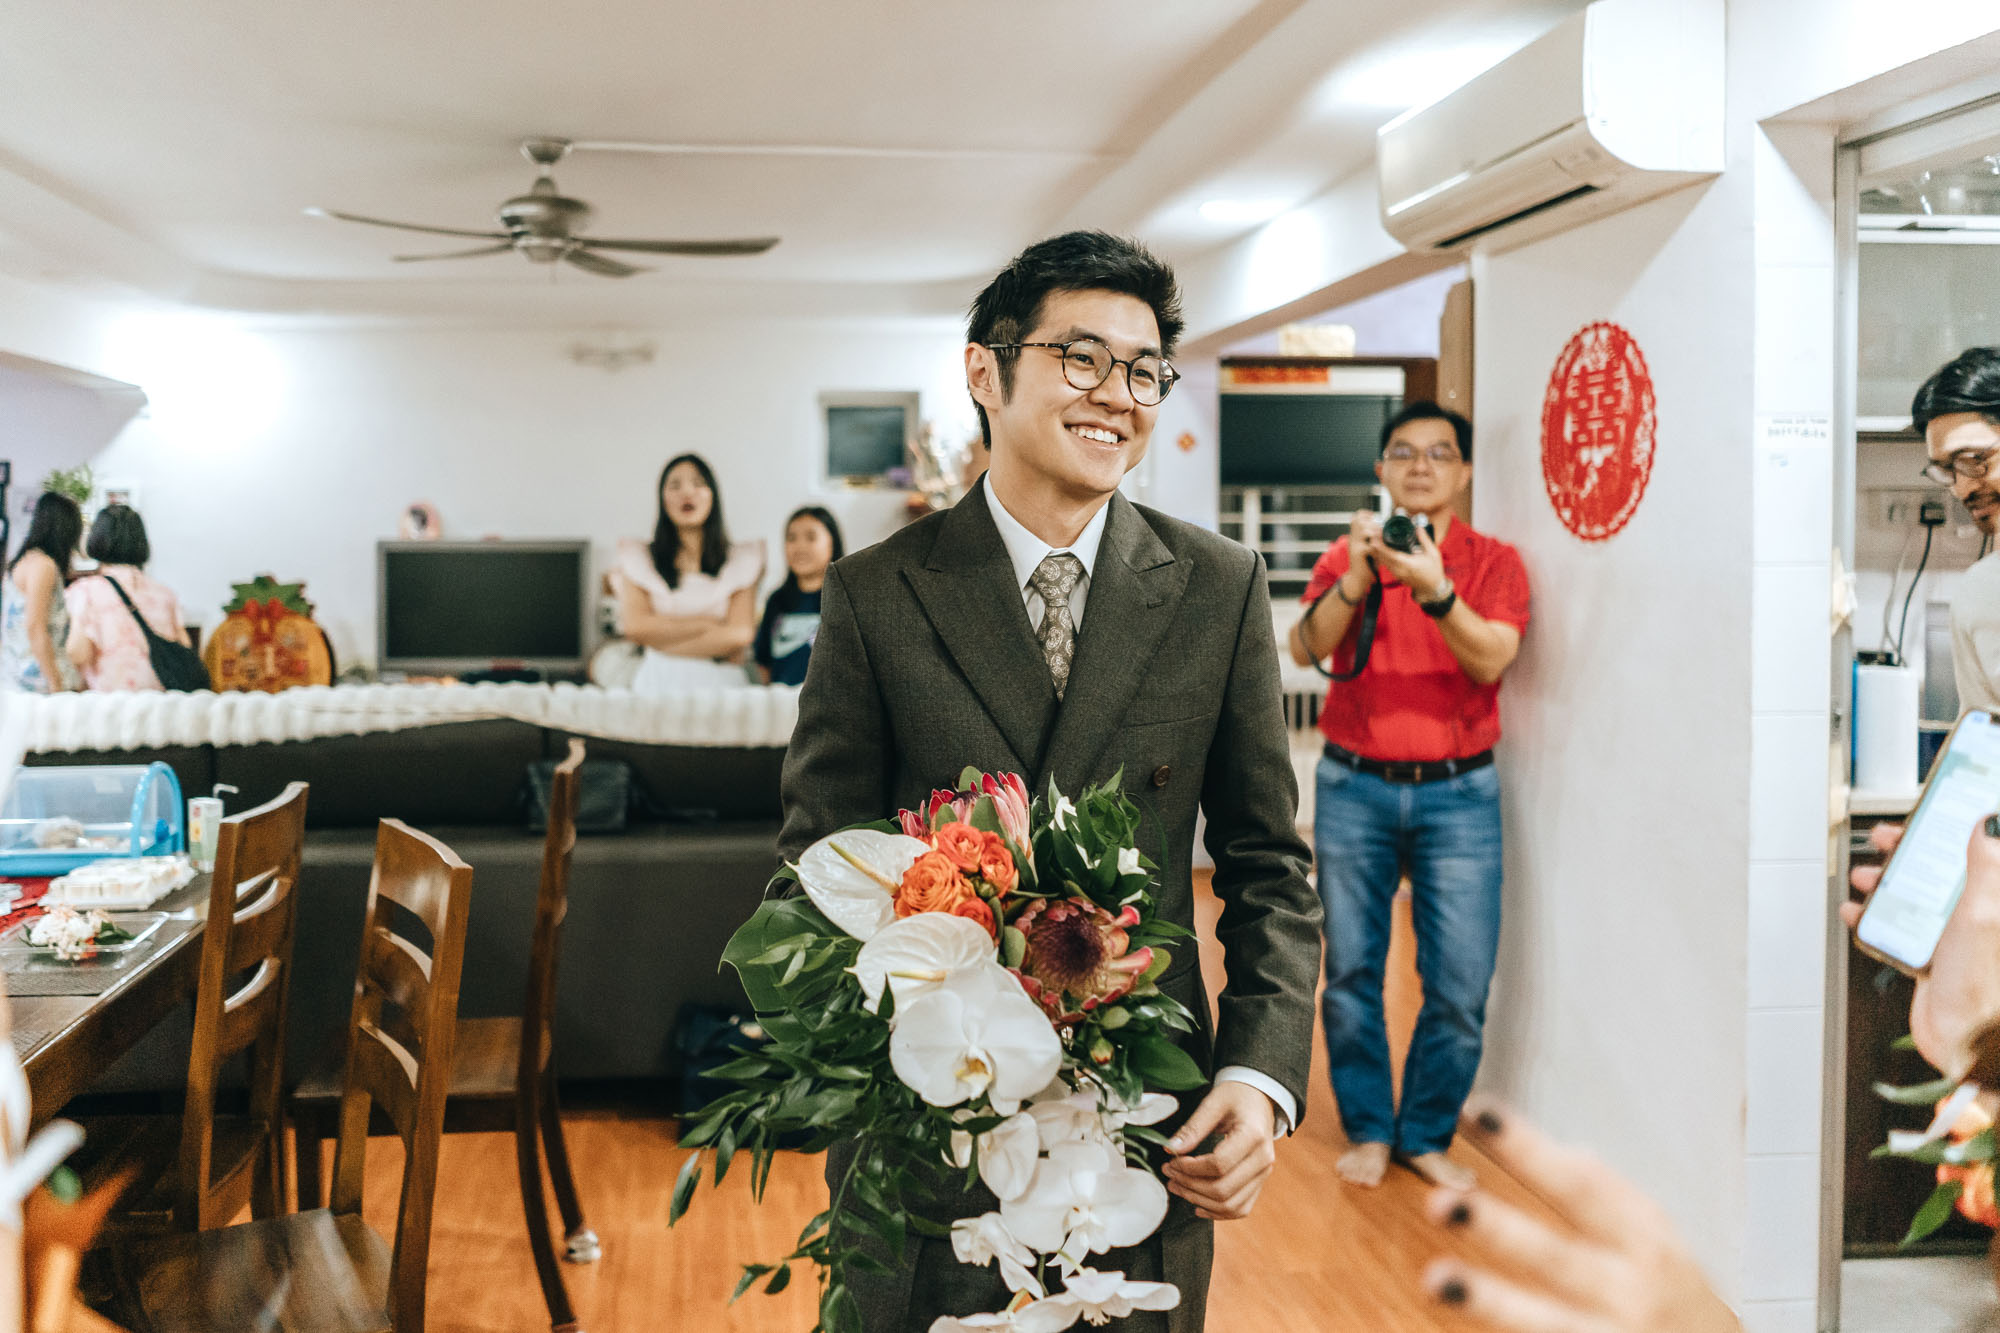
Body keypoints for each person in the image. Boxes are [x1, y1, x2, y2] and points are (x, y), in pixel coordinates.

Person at [778, 230, 1322, 1332]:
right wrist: (850, 1062)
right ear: (985, 371)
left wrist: (1259, 1079)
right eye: (1080, 357)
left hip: (1139, 1131)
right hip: (934, 1123)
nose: (1116, 394)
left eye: (1143, 370)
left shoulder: (1217, 588)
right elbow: (814, 868)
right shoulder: (878, 594)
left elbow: (1267, 865)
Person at [1289, 401, 1530, 1192]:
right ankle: (1368, 1126)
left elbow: (1491, 659)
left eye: (1439, 452)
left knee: (1459, 982)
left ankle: (1424, 1134)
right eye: (1403, 452)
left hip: (1460, 794)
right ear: (1381, 470)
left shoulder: (1494, 563)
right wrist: (1358, 580)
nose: (1420, 466)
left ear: (1465, 471)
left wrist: (1437, 591)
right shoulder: (1349, 554)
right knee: (1351, 972)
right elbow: (1305, 646)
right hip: (1353, 786)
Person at [612, 454, 763, 693]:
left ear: (713, 495)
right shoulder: (638, 558)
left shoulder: (742, 560)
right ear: (662, 498)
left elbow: (739, 634)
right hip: (656, 682)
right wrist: (710, 625)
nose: (687, 493)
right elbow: (636, 627)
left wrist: (661, 645)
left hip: (723, 686)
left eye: (698, 483)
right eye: (674, 485)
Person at [1913, 348, 2000, 712]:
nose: (1962, 488)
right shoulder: (1980, 591)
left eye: (1973, 460)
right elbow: (1982, 734)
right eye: (1947, 470)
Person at [63, 504, 191, 693]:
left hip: (113, 703)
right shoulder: (165, 594)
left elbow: (78, 652)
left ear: (97, 539)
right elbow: (184, 645)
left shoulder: (85, 591)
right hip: (161, 703)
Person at [0, 492, 84, 692]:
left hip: (15, 674)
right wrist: (55, 682)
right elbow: (35, 626)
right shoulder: (43, 565)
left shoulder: (23, 561)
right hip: (37, 678)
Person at [753, 506, 842, 686]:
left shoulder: (844, 599)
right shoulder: (776, 600)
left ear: (832, 543)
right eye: (791, 538)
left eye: (811, 537)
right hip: (781, 699)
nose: (800, 547)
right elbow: (763, 662)